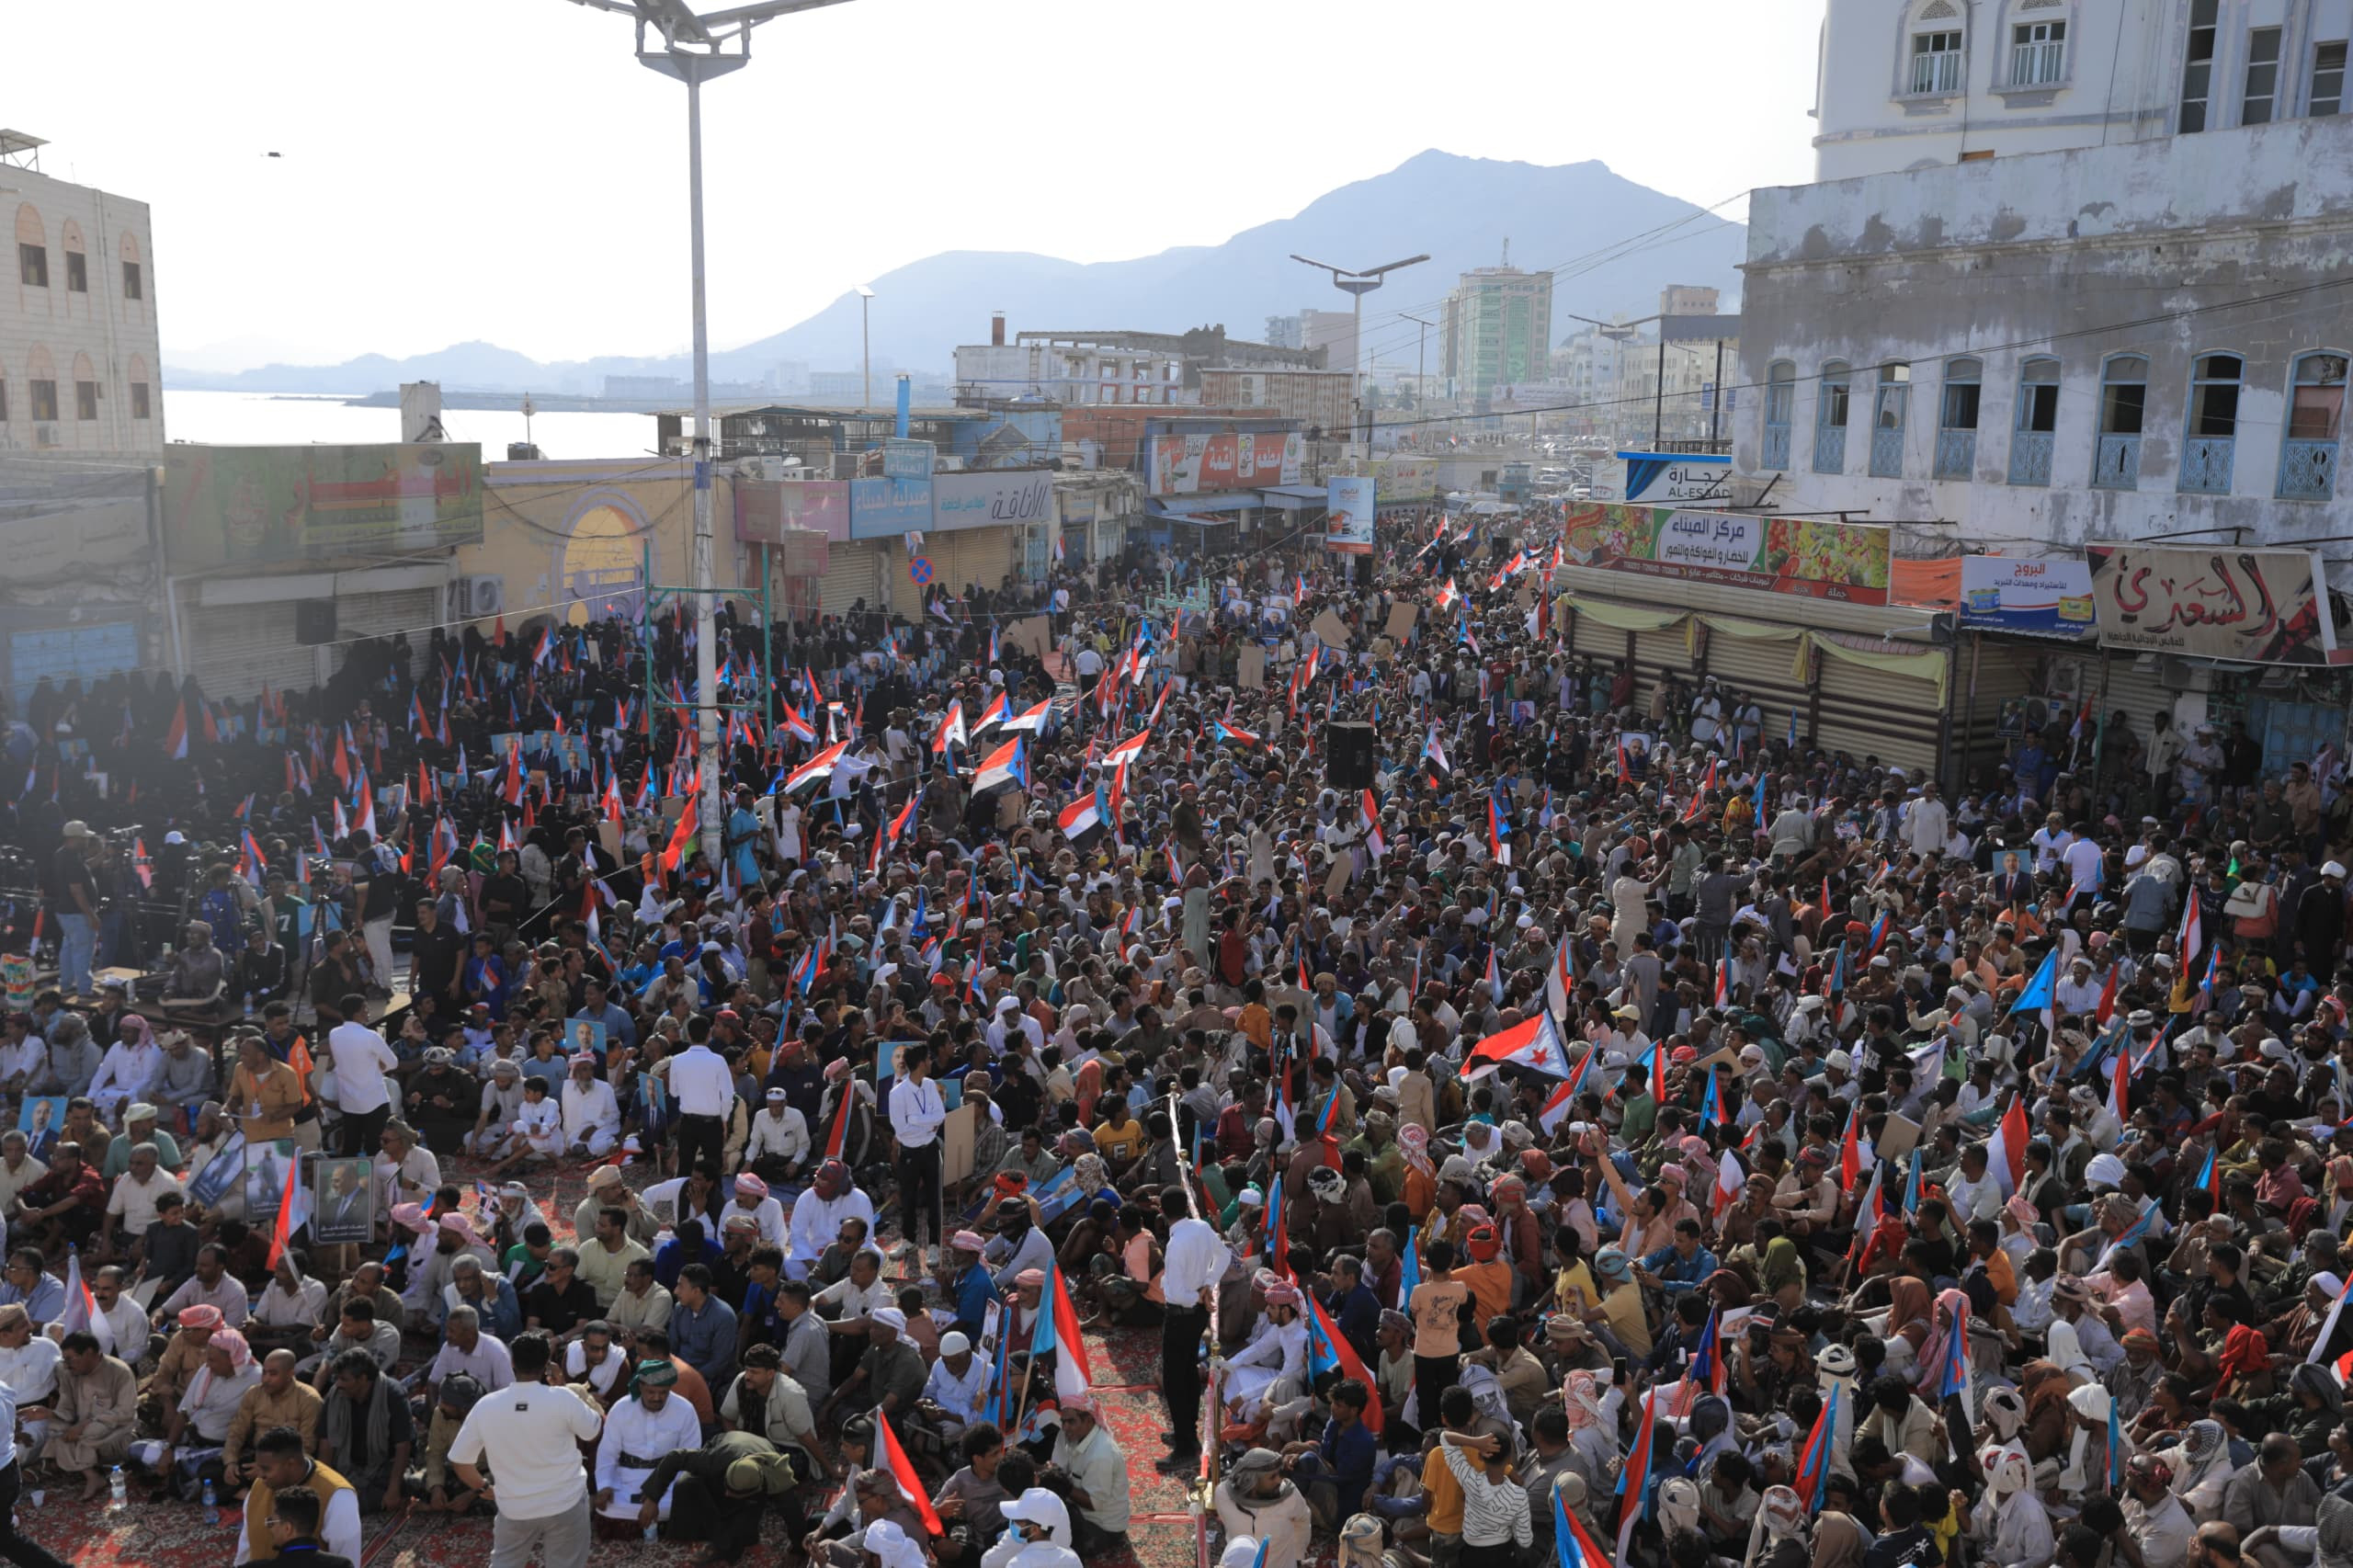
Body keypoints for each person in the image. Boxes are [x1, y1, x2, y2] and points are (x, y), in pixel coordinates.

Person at [447, 1331, 604, 1568]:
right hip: (565, 1503)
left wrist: (484, 1487)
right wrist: (562, 1388)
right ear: (546, 1363)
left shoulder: (486, 1405)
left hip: (514, 1507)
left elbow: (460, 1461)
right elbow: (593, 1430)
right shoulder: (563, 1397)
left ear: (512, 1363)